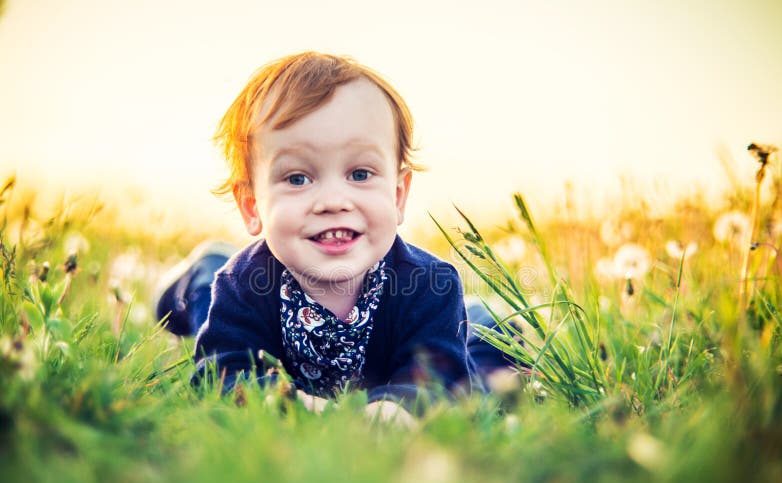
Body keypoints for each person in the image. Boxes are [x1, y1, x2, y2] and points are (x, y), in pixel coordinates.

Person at [155, 52, 516, 421]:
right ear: (251, 206)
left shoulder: (430, 284)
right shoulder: (241, 284)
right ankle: (200, 275)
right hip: (243, 299)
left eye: (360, 173)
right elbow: (223, 375)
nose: (332, 201)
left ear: (397, 195)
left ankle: (486, 320)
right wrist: (285, 404)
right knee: (210, 298)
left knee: (483, 374)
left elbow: (437, 379)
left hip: (445, 337)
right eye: (297, 178)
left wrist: (397, 411)